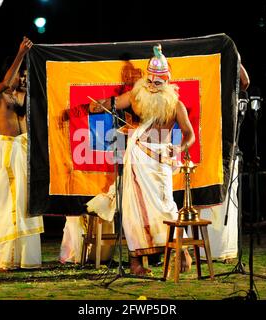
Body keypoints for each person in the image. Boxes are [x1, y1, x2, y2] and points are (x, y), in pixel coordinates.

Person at [86, 44, 195, 275]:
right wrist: (97, 106)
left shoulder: (176, 106)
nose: (153, 87)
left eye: (158, 83)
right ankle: (135, 263)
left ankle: (178, 249)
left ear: (167, 81)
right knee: (134, 210)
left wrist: (178, 148)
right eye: (150, 81)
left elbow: (189, 134)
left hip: (161, 162)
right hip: (137, 159)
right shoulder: (137, 96)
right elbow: (112, 103)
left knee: (166, 207)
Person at [0, 37, 44, 271]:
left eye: (24, 74)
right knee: (7, 204)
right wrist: (20, 54)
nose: (22, 78)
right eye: (20, 73)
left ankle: (27, 259)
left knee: (27, 204)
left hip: (26, 150)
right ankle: (5, 259)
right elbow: (7, 82)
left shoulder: (24, 96)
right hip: (8, 150)